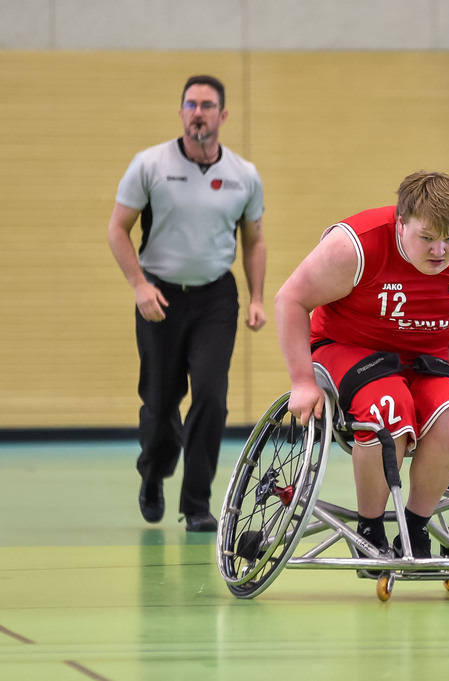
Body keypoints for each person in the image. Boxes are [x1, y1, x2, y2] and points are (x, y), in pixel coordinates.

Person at [275, 171, 449, 558]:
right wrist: (301, 381)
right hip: (350, 347)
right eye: (427, 238)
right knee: (388, 409)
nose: (440, 250)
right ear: (401, 223)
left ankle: (414, 526)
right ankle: (371, 528)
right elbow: (290, 300)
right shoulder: (355, 247)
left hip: (432, 355)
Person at [107, 75, 267, 532]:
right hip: (160, 294)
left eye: (208, 105)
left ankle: (196, 504)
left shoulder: (244, 175)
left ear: (223, 115)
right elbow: (117, 229)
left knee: (212, 398)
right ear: (181, 112)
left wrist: (257, 297)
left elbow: (254, 241)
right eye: (191, 104)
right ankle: (154, 474)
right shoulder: (150, 165)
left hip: (216, 296)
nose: (199, 112)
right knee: (160, 403)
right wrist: (139, 285)